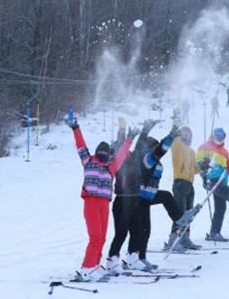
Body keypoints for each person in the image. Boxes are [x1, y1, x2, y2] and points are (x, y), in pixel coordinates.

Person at [68, 117, 136, 282]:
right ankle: (87, 267)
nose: (103, 154)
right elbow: (81, 146)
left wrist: (129, 139)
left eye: (106, 152)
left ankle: (95, 265)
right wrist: (76, 129)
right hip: (91, 201)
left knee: (102, 237)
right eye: (101, 152)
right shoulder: (88, 161)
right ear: (97, 152)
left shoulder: (111, 167)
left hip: (104, 203)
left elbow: (120, 156)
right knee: (95, 237)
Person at [131, 124, 199, 270]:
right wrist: (171, 134)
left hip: (148, 196)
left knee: (165, 198)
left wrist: (203, 167)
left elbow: (160, 151)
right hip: (139, 197)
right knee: (143, 230)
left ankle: (180, 220)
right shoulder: (147, 159)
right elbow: (160, 149)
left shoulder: (156, 160)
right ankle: (137, 258)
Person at [106, 119, 155, 275]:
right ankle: (112, 260)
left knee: (137, 230)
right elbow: (121, 144)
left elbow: (140, 146)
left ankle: (133, 257)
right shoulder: (118, 159)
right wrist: (122, 129)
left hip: (133, 198)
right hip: (122, 198)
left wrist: (145, 130)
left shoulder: (132, 157)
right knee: (121, 232)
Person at [196, 128, 229, 242]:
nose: (220, 137)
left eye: (223, 136)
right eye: (218, 135)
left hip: (221, 181)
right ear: (213, 135)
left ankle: (214, 232)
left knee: (221, 208)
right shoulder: (204, 147)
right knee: (227, 192)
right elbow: (197, 162)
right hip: (210, 179)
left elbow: (228, 169)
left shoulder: (224, 152)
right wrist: (203, 164)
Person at [167, 126, 202, 250]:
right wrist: (176, 126)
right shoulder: (177, 146)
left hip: (189, 184)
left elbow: (195, 169)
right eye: (184, 133)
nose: (187, 135)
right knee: (180, 213)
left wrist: (204, 165)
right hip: (180, 183)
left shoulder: (191, 152)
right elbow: (174, 140)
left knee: (188, 213)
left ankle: (185, 238)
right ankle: (173, 239)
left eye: (189, 133)